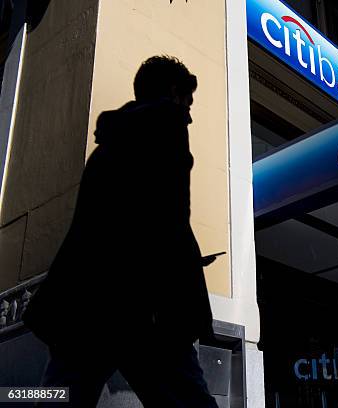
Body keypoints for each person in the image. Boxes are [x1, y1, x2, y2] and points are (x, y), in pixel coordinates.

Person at [23, 56, 218, 407]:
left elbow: (110, 223)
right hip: (145, 307)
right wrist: (179, 270)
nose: (189, 114)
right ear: (173, 93)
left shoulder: (108, 145)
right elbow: (167, 217)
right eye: (187, 104)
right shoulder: (166, 121)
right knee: (189, 399)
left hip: (83, 308)